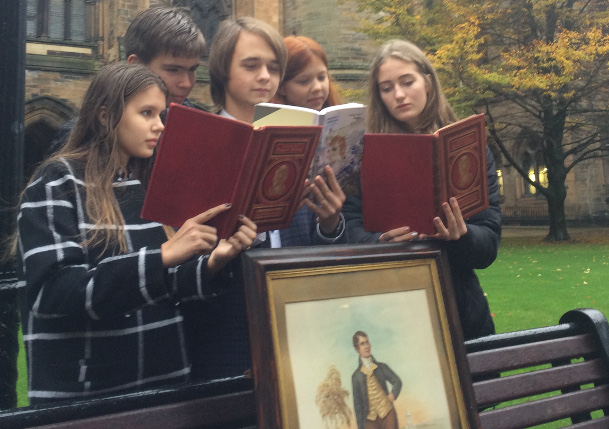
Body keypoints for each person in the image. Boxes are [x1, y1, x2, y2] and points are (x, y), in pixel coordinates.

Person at [15, 62, 257, 404]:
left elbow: (165, 286)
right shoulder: (56, 182)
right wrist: (162, 257)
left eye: (161, 114)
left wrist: (214, 262)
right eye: (146, 113)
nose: (159, 126)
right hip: (89, 401)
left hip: (165, 392)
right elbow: (52, 295)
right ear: (104, 115)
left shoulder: (143, 184)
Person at [182, 18, 347, 381]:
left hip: (299, 331)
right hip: (225, 334)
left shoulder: (300, 137)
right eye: (251, 65)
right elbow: (180, 258)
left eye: (274, 68)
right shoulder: (199, 144)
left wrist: (330, 224)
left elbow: (314, 246)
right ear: (224, 69)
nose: (265, 77)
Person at [342, 39, 501, 341]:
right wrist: (379, 242)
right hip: (388, 312)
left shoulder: (470, 149)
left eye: (407, 82)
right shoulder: (364, 153)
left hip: (458, 309)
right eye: (386, 88)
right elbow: (349, 227)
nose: (398, 94)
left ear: (427, 82)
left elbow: (488, 244)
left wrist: (461, 235)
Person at [48, 6, 206, 154]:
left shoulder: (200, 128)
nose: (186, 83)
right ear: (135, 64)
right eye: (173, 70)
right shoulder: (82, 136)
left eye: (192, 70)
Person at [272, 35, 342, 110]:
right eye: (304, 81)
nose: (317, 87)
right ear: (281, 87)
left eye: (321, 78)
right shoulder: (269, 121)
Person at [351, 331, 402, 429]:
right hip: (370, 420)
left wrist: (393, 395)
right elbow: (358, 406)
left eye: (367, 342)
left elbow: (397, 381)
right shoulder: (356, 377)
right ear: (357, 349)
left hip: (387, 413)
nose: (366, 346)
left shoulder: (381, 367)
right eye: (362, 344)